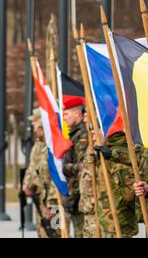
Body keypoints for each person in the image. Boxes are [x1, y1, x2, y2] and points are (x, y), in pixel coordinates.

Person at [22, 109, 60, 238]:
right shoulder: (38, 145)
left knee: (55, 233)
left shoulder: (55, 145)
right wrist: (27, 185)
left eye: (35, 122)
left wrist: (52, 204)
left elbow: (58, 176)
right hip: (40, 199)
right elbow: (32, 167)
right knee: (43, 233)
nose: (33, 125)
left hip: (54, 203)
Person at [94, 131, 138, 238]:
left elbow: (129, 193)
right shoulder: (107, 152)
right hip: (109, 221)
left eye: (96, 130)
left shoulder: (116, 154)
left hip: (118, 222)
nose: (93, 134)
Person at [62, 98, 88, 238]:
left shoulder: (83, 135)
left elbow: (84, 168)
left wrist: (65, 167)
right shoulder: (74, 134)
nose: (64, 118)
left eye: (66, 114)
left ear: (77, 113)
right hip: (76, 196)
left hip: (81, 196)